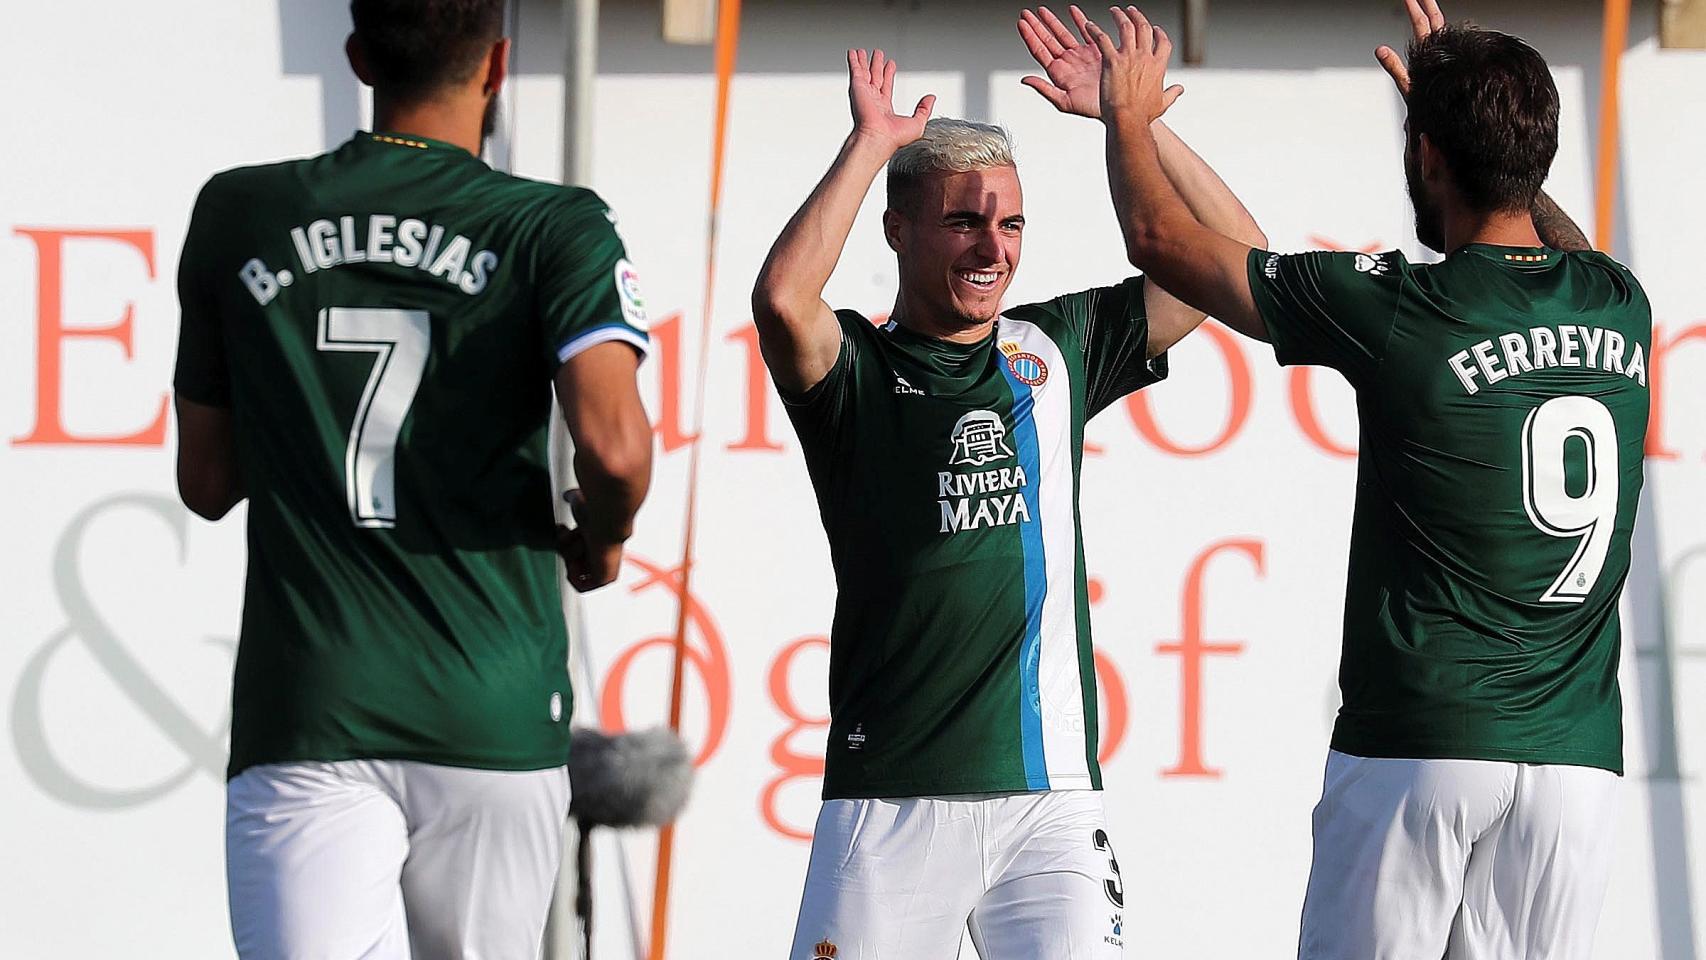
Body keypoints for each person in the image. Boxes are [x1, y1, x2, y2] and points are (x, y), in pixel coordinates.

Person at [1082, 2, 1650, 957]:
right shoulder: (1618, 301)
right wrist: (1471, 131)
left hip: (1419, 744)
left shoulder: (1402, 307)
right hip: (1574, 769)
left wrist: (1128, 120)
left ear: (1429, 157)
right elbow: (1553, 239)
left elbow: (1160, 242)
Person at [750, 24, 1265, 957]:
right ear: (897, 231)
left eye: (1012, 223)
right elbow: (785, 299)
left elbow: (1234, 253)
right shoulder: (855, 369)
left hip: (1052, 804)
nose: (994, 247)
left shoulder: (1052, 349)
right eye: (964, 222)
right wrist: (870, 148)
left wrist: (1133, 122)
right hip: (892, 798)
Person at [171, 0, 653, 955]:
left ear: (357, 55)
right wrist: (602, 538)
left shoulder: (241, 210)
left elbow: (207, 480)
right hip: (494, 708)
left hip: (312, 704)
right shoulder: (552, 224)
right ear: (498, 64)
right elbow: (617, 450)